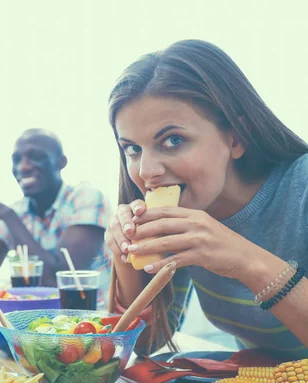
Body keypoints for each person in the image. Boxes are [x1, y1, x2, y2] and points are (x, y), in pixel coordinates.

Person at [105, 39, 308, 359]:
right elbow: (145, 346)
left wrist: (247, 262)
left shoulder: (302, 187)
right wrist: (127, 256)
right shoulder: (185, 210)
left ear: (235, 137)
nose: (147, 172)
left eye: (173, 140)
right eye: (132, 148)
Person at [0, 128, 110, 288]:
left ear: (61, 162)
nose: (24, 167)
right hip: (40, 314)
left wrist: (6, 214)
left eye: (37, 157)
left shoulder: (86, 198)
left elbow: (59, 282)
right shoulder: (18, 211)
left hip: (92, 312)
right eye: (17, 159)